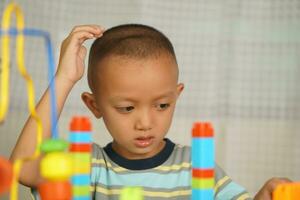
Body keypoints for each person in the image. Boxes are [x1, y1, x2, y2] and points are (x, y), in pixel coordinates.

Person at [10, 24, 291, 200]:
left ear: (176, 96)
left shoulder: (196, 167)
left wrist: (265, 195)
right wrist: (64, 79)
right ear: (94, 105)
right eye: (127, 108)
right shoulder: (89, 165)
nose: (145, 123)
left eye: (162, 105)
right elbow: (22, 168)